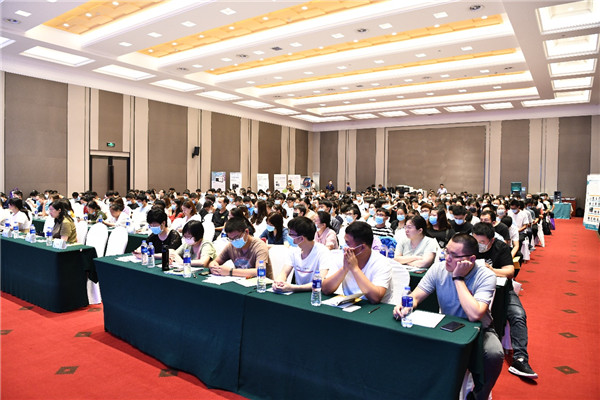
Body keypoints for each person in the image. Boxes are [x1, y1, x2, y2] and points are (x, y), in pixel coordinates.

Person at [393, 233, 503, 400]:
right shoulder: (438, 269)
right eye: (446, 251)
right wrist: (406, 305)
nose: (447, 258)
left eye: (454, 255)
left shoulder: (486, 276)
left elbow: (475, 315)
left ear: (471, 259)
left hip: (481, 329)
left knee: (494, 354)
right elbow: (415, 296)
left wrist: (458, 278)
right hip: (447, 326)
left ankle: (479, 395)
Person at [472, 222, 538, 380]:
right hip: (475, 289)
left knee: (518, 315)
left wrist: (491, 270)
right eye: (476, 241)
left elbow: (510, 272)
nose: (478, 245)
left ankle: (520, 359)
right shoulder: (468, 245)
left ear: (492, 240)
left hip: (503, 290)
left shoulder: (500, 247)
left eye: (482, 242)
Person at [322, 221, 393, 304]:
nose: (345, 247)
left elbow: (375, 298)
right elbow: (325, 289)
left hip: (375, 309)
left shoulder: (382, 263)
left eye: (348, 243)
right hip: (349, 304)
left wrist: (355, 269)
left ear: (362, 247)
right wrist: (344, 269)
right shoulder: (342, 257)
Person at [272, 216, 333, 293]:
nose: (289, 236)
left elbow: (320, 281)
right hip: (297, 291)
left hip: (315, 293)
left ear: (301, 238)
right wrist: (279, 282)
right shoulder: (294, 250)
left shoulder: (323, 251)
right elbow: (284, 273)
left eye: (291, 234)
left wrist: (293, 288)